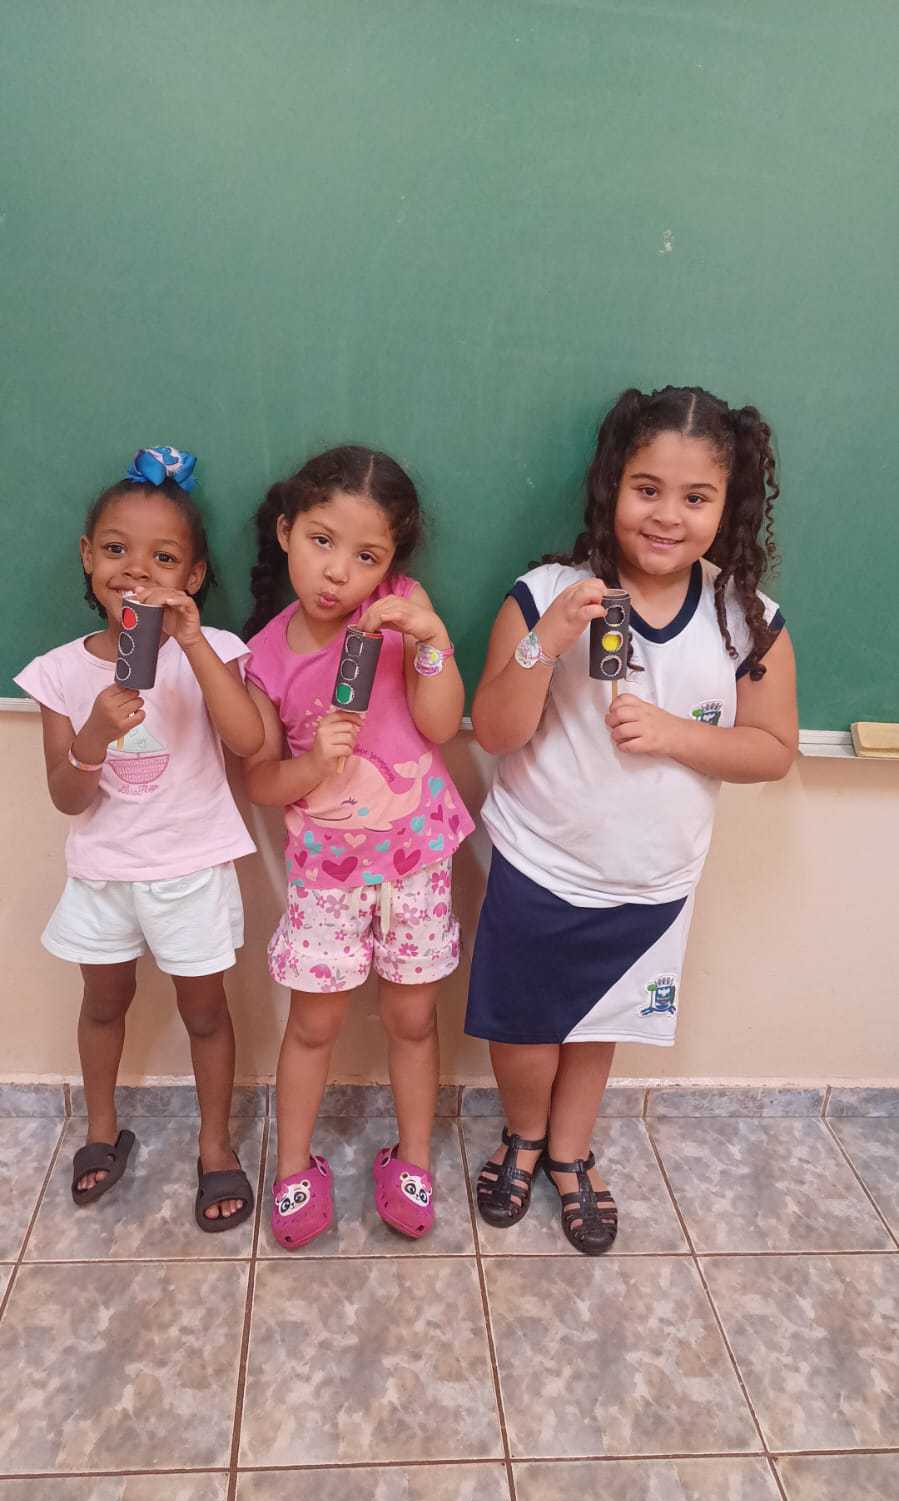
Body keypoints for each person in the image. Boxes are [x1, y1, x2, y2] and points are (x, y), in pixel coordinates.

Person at [466, 387, 798, 1254]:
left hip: (652, 881)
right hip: (540, 862)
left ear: (727, 507)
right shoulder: (546, 593)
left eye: (696, 497)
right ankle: (522, 1134)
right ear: (612, 483)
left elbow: (772, 749)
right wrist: (544, 642)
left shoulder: (747, 619)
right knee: (523, 1029)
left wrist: (675, 733)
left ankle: (568, 1151)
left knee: (598, 1027)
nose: (666, 515)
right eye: (646, 488)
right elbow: (495, 730)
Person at [16, 448, 264, 1230]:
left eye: (163, 557)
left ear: (193, 576)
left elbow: (249, 739)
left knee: (205, 1012)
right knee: (103, 1002)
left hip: (191, 869)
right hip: (103, 872)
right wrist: (92, 734)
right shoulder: (59, 672)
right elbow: (66, 796)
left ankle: (215, 1145)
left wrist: (190, 642)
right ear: (87, 556)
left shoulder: (213, 650)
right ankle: (101, 1128)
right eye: (116, 548)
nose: (136, 569)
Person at [243, 445, 473, 1249]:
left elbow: (439, 724)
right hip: (326, 874)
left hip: (416, 858)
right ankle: (293, 1166)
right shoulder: (264, 656)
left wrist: (431, 637)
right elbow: (261, 780)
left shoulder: (401, 608)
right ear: (285, 531)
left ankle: (411, 1159)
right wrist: (313, 764)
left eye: (367, 556)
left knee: (411, 1016)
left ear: (391, 563)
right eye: (321, 541)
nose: (339, 572)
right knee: (314, 1024)